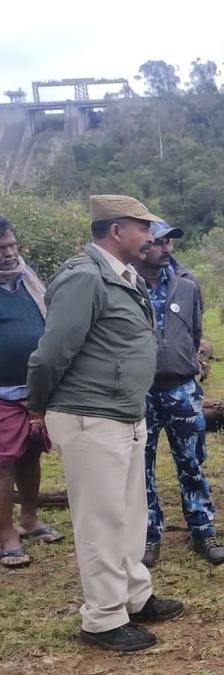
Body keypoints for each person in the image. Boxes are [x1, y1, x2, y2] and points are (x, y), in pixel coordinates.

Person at [27, 195, 184, 652]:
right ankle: (102, 619)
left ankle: (134, 595)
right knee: (99, 520)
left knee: (130, 514)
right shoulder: (83, 278)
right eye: (143, 227)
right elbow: (51, 353)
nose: (151, 236)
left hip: (123, 412)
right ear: (117, 230)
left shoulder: (122, 277)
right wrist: (37, 407)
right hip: (89, 415)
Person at [134, 221, 224, 567]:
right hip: (139, 392)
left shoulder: (187, 288)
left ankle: (202, 529)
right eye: (159, 242)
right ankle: (147, 534)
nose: (167, 248)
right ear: (142, 245)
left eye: (169, 242)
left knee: (191, 463)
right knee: (140, 468)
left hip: (181, 389)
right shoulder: (124, 286)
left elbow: (195, 332)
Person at [0, 216, 59, 571]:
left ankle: (30, 518)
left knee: (31, 453)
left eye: (11, 245)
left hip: (34, 390)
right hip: (2, 393)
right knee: (2, 463)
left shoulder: (28, 279)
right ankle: (6, 534)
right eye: (0, 249)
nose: (8, 254)